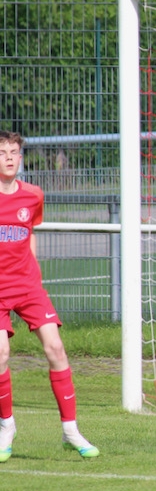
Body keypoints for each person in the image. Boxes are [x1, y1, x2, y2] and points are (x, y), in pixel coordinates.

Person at [0, 131, 99, 462]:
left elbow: (29, 236)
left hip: (28, 286)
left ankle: (70, 431)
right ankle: (7, 428)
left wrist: (35, 276)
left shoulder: (33, 195)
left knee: (55, 348)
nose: (9, 158)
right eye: (3, 152)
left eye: (14, 152)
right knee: (1, 353)